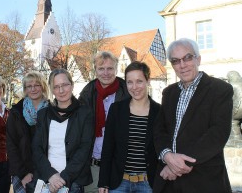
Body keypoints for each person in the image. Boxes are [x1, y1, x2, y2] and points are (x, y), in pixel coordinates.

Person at [153, 38, 233, 193]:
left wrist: (177, 165)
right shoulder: (168, 93)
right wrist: (167, 156)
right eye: (175, 61)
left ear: (198, 59)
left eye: (187, 58)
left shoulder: (220, 89)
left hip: (203, 181)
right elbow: (159, 130)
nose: (182, 65)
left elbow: (217, 134)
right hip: (168, 183)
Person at [98, 61, 160, 193]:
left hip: (148, 184)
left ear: (148, 81)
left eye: (139, 81)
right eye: (129, 82)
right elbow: (108, 147)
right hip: (119, 184)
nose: (134, 87)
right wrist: (103, 181)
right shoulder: (116, 109)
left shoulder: (159, 112)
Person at [32, 68, 94, 193]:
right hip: (46, 180)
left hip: (73, 182)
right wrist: (51, 175)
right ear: (52, 90)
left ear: (72, 85)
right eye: (56, 87)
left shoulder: (85, 113)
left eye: (65, 85)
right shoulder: (43, 114)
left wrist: (62, 179)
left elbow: (84, 150)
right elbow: (36, 148)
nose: (61, 90)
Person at [79, 51, 130, 193]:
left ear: (116, 69)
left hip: (120, 167)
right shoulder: (87, 94)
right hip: (93, 166)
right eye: (101, 69)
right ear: (95, 70)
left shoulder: (128, 92)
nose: (106, 73)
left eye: (110, 68)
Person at [7, 71, 49, 193]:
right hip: (22, 171)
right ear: (25, 89)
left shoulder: (52, 111)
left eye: (37, 85)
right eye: (29, 86)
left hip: (46, 171)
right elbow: (11, 146)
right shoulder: (16, 113)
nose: (33, 89)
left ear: (43, 87)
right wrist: (23, 173)